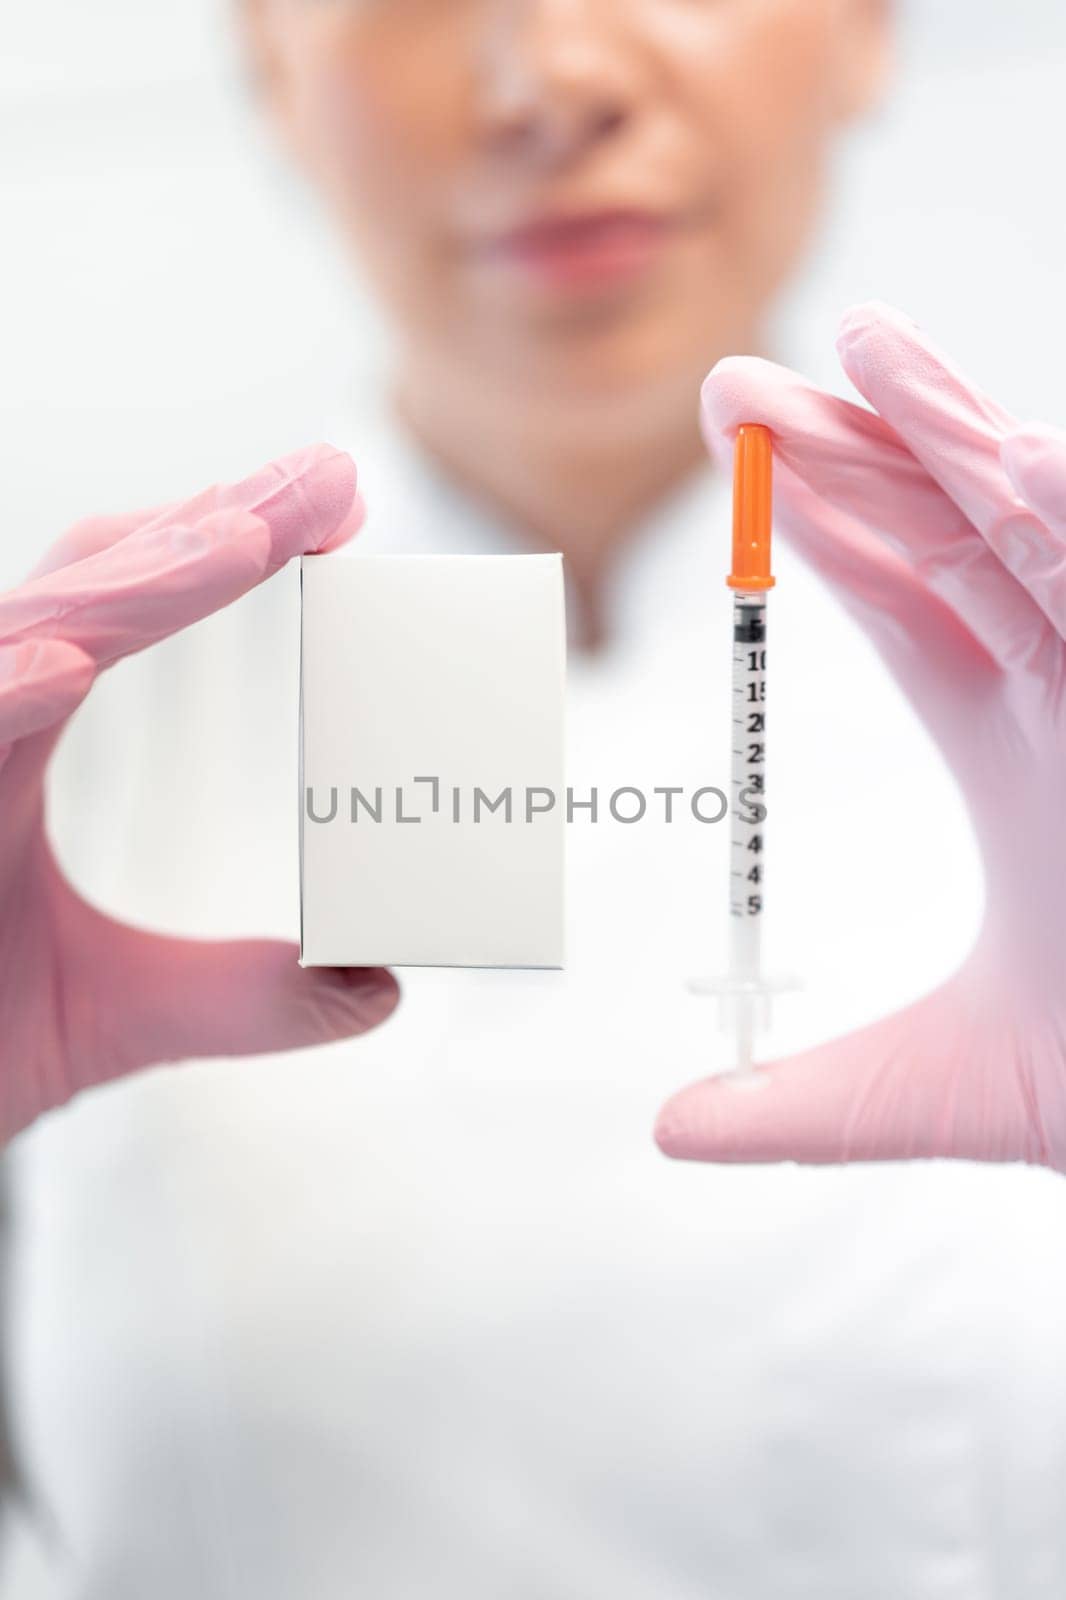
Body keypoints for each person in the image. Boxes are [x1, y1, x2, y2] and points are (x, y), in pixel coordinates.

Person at [3, 1, 1066, 1594]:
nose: (554, 78)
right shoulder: (71, 751)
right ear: (266, 72)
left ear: (863, 27)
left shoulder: (1038, 692)